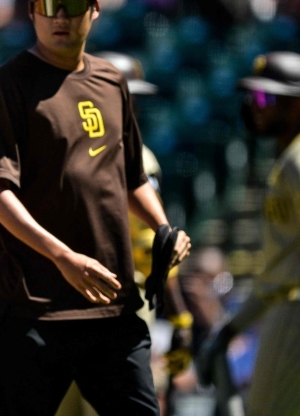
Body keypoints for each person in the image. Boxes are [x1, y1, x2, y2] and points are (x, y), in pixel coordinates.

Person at [0, 0, 191, 416]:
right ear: (32, 10)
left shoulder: (112, 82)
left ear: (94, 10)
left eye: (73, 5)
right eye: (49, 5)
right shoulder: (8, 85)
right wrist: (63, 256)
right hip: (27, 306)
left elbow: (132, 176)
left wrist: (162, 227)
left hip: (108, 306)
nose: (61, 18)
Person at [200, 52, 300, 416]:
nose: (254, 106)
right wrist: (232, 328)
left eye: (265, 98)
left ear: (297, 106)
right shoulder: (297, 156)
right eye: (253, 97)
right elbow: (279, 271)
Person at [101, 52, 194, 379]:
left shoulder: (138, 158)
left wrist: (180, 315)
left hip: (123, 301)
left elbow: (152, 244)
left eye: (132, 99)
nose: (131, 108)